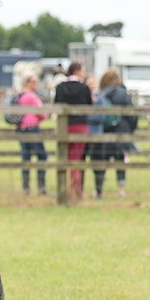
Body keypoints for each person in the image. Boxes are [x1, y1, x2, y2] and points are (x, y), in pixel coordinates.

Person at [53, 60, 93, 202]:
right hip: (80, 126)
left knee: (65, 158)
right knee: (76, 159)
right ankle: (76, 191)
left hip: (64, 126)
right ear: (77, 71)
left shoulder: (60, 87)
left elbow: (56, 104)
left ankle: (67, 190)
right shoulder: (84, 88)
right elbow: (90, 106)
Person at [95, 69, 134, 198]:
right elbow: (132, 115)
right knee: (120, 162)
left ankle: (99, 191)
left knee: (101, 161)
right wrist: (130, 130)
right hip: (121, 132)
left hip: (103, 132)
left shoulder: (100, 93)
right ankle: (121, 190)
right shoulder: (123, 93)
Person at [13, 73, 50, 195]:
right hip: (33, 128)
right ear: (28, 82)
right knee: (42, 156)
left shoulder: (20, 95)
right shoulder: (31, 96)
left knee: (26, 157)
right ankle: (41, 186)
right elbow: (42, 114)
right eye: (34, 82)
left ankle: (26, 187)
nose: (36, 84)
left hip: (22, 129)